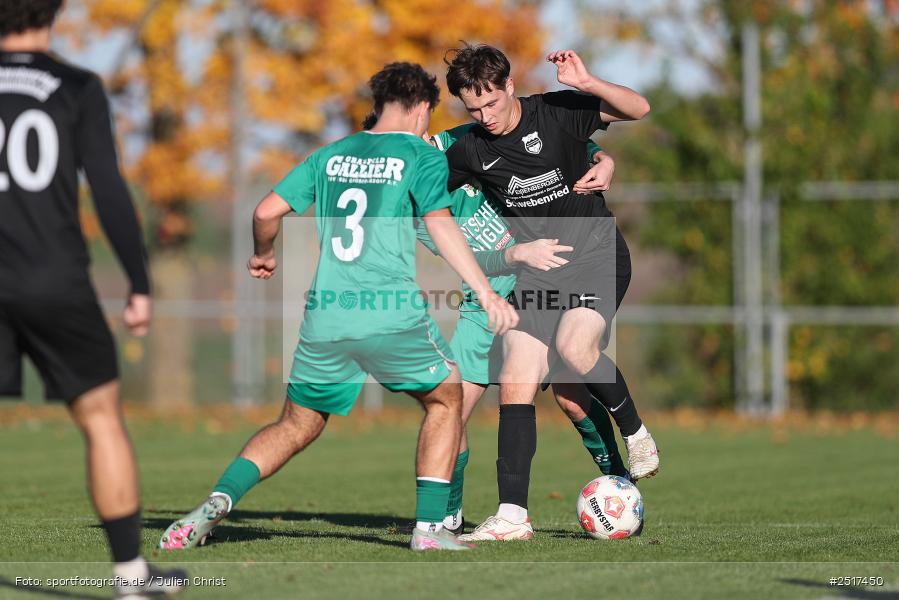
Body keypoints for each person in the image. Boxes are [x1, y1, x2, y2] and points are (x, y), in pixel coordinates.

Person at [158, 62, 517, 553]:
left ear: (380, 104)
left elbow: (265, 211)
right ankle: (430, 531)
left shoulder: (330, 155)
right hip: (388, 310)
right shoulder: (420, 154)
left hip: (327, 314)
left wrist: (264, 253)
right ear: (421, 108)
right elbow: (439, 223)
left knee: (296, 424)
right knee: (446, 398)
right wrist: (487, 291)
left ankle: (217, 501)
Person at [0, 0, 187, 596]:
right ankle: (131, 577)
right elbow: (106, 187)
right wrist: (138, 280)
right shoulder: (76, 86)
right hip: (54, 278)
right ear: (55, 10)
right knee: (101, 418)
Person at [441, 43, 659, 542]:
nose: (485, 117)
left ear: (509, 86)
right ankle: (513, 516)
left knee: (575, 350)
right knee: (515, 379)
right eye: (473, 110)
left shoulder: (556, 112)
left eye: (491, 103)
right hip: (540, 272)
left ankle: (636, 433)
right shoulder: (470, 149)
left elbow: (639, 108)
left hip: (596, 254)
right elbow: (421, 181)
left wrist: (588, 84)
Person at [408, 121, 630, 536]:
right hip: (482, 307)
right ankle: (449, 514)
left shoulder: (464, 139)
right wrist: (514, 253)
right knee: (450, 410)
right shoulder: (414, 204)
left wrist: (601, 157)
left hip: (544, 286)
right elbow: (465, 259)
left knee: (572, 399)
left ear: (422, 127)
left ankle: (620, 479)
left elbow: (548, 139)